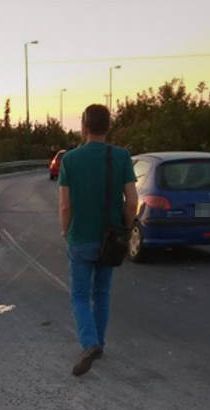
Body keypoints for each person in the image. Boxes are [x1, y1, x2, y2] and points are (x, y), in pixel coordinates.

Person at [57, 104, 137, 377]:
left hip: (80, 237)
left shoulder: (70, 160)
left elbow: (65, 207)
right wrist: (126, 230)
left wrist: (66, 231)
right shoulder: (122, 157)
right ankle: (99, 343)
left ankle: (89, 343)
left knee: (80, 295)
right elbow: (132, 202)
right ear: (108, 127)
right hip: (110, 238)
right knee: (102, 292)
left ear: (84, 126)